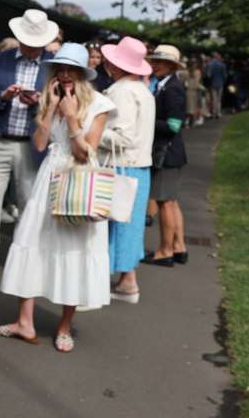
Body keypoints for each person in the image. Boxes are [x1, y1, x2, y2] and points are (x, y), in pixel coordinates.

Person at [0, 43, 115, 352]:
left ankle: (64, 327)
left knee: (73, 251)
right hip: (49, 177)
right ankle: (25, 322)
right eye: (59, 69)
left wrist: (72, 118)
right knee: (31, 240)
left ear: (82, 74)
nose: (64, 75)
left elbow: (86, 152)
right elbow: (38, 144)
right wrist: (48, 111)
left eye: (70, 70)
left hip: (79, 179)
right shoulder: (52, 97)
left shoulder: (100, 104)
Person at [0, 9, 57, 279]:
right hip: (0, 141)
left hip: (33, 145)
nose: (30, 46)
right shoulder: (2, 59)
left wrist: (39, 102)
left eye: (35, 41)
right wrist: (3, 96)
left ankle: (27, 259)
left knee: (29, 203)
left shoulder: (52, 64)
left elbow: (60, 100)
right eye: (26, 40)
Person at [97, 37, 155, 303]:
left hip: (120, 166)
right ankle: (127, 281)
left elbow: (123, 137)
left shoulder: (122, 91)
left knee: (111, 224)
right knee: (128, 225)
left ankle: (103, 284)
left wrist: (94, 130)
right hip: (139, 166)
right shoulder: (143, 90)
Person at [142, 45, 188, 267]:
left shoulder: (172, 88)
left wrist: (144, 119)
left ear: (171, 65)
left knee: (165, 203)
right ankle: (178, 247)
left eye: (159, 62)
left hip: (166, 153)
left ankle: (165, 250)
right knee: (171, 201)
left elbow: (173, 125)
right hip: (170, 152)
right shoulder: (165, 85)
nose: (154, 64)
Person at [205, 52, 226, 118]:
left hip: (213, 83)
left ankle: (213, 113)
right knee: (219, 99)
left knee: (214, 99)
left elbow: (208, 75)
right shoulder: (222, 65)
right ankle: (218, 113)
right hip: (220, 83)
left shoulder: (209, 64)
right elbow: (224, 76)